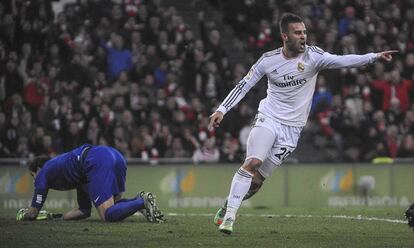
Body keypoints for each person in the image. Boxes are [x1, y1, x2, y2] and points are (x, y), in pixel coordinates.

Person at [208, 13, 397, 234]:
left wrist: (373, 56)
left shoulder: (313, 57)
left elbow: (342, 60)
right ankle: (230, 217)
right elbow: (244, 85)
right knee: (253, 162)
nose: (303, 37)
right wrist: (222, 109)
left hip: (293, 129)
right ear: (285, 36)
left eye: (304, 32)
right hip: (268, 118)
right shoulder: (268, 60)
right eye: (298, 32)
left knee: (257, 181)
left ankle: (227, 204)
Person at [16, 144, 164, 222]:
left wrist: (24, 214)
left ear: (38, 169)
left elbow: (32, 213)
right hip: (113, 154)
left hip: (96, 160)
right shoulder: (73, 174)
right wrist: (58, 218)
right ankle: (139, 199)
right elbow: (84, 211)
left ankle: (142, 202)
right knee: (114, 207)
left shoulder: (43, 173)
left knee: (108, 215)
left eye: (32, 174)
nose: (34, 179)